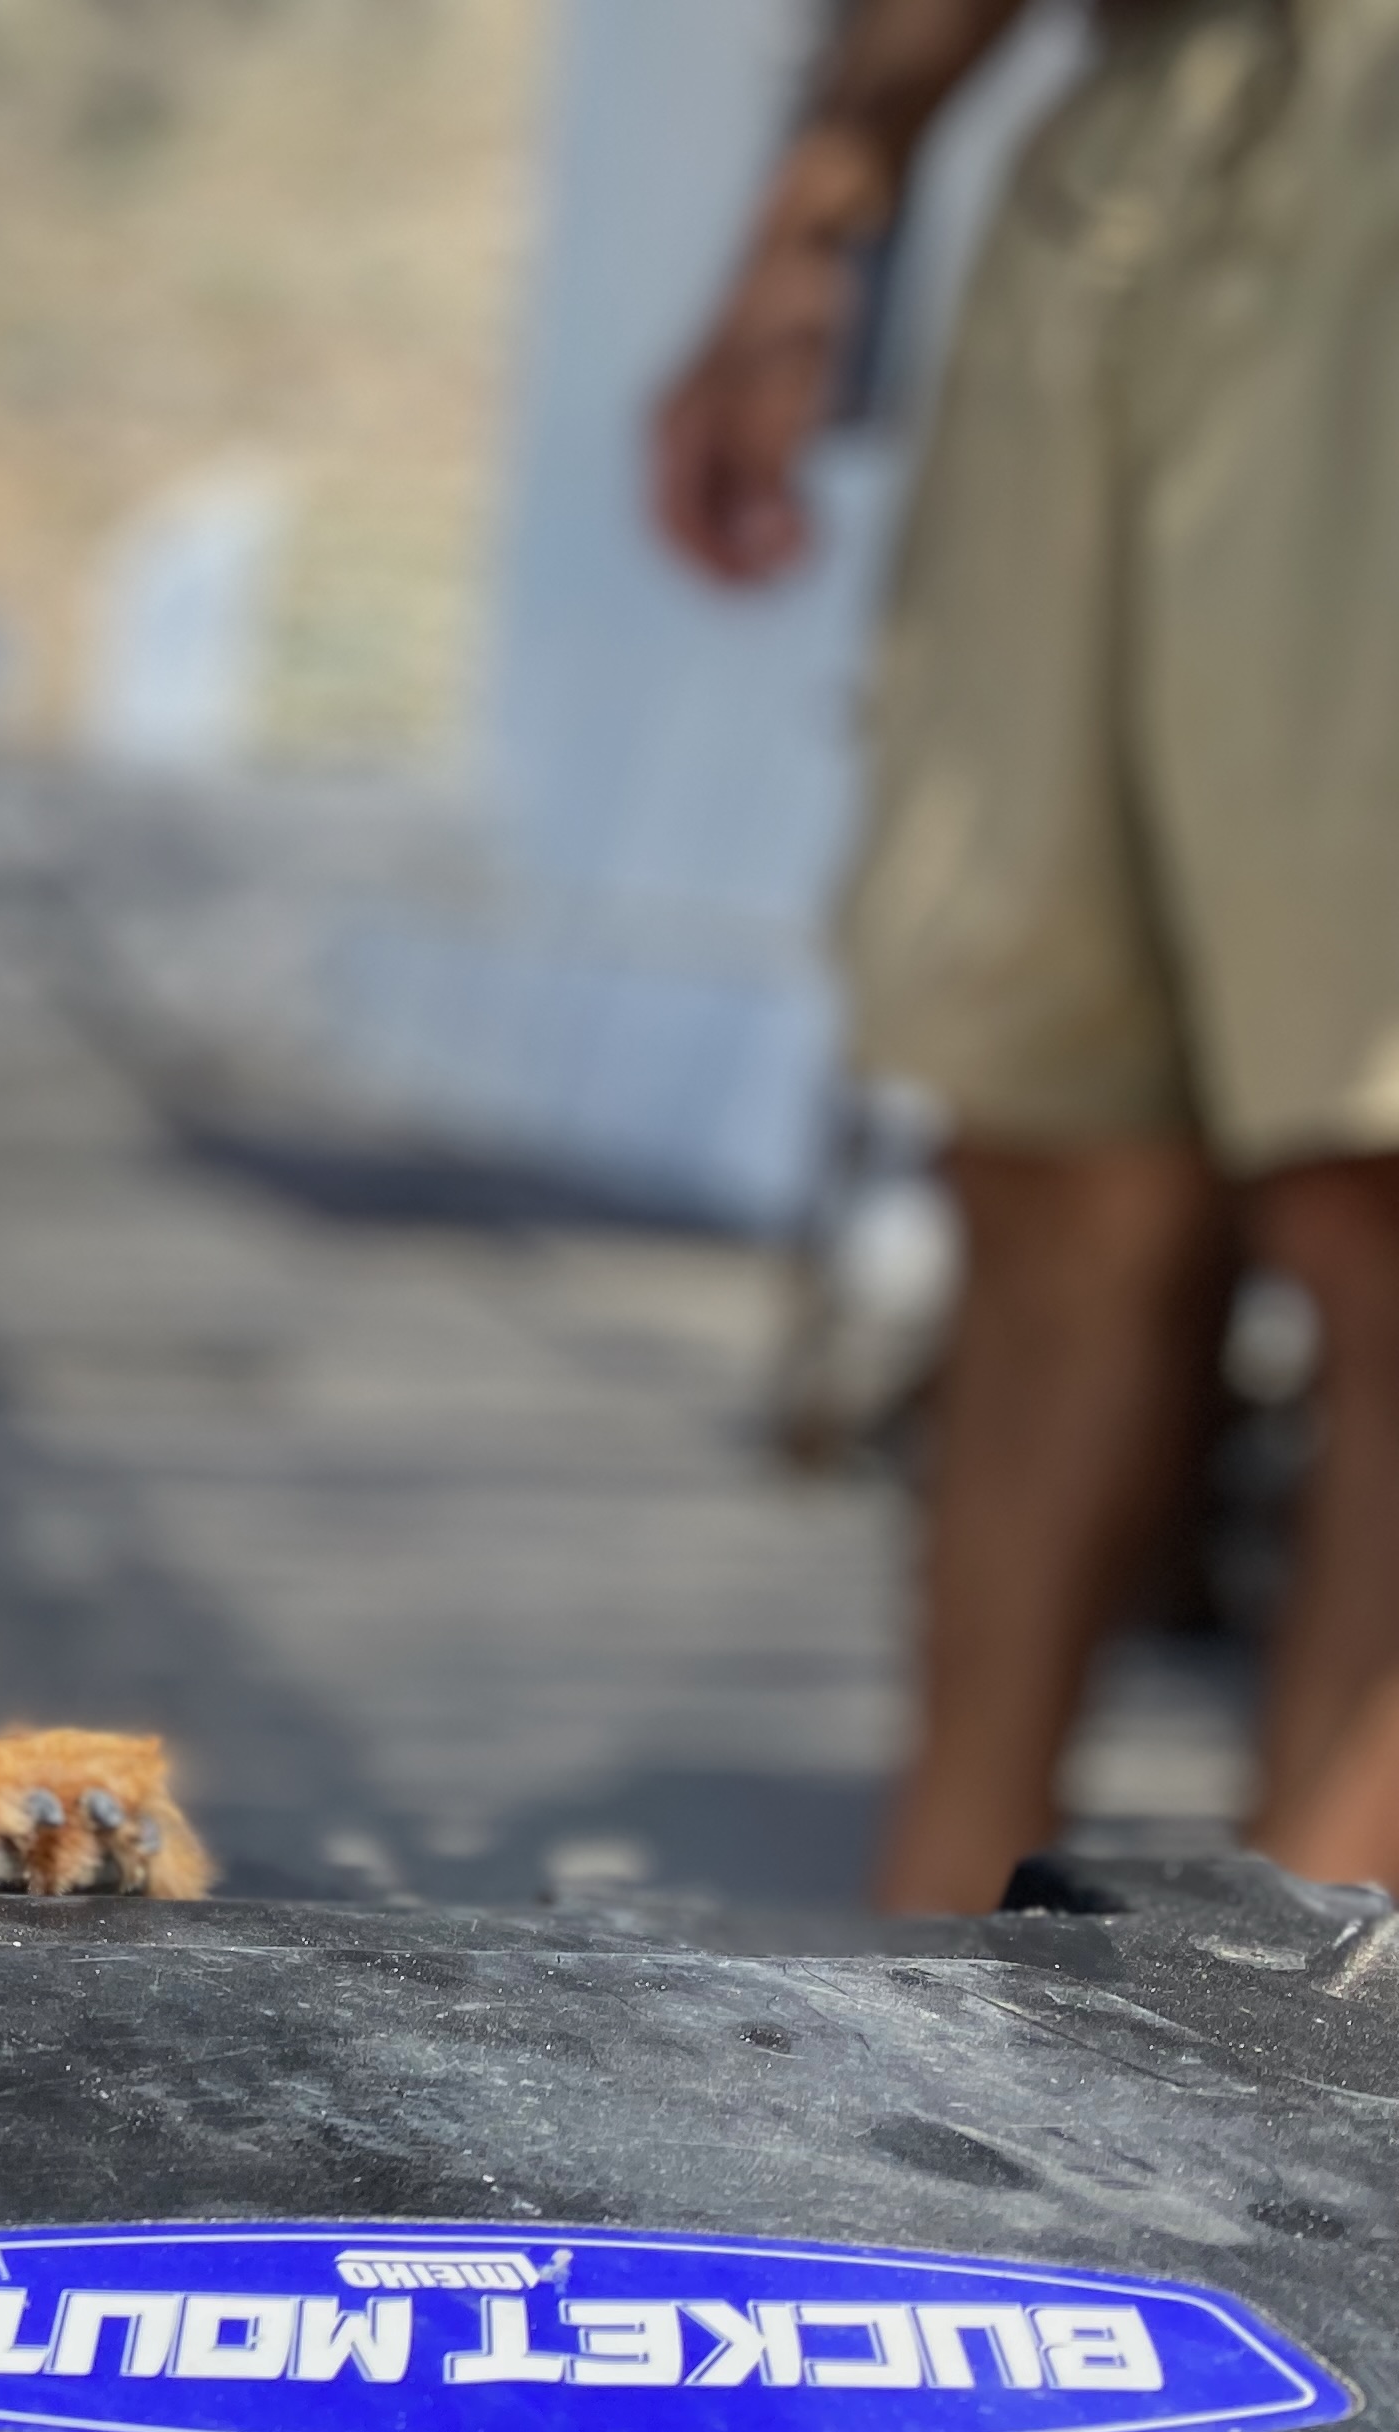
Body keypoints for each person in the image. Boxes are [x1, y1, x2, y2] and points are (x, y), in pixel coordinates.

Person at [654, 0, 1399, 1909]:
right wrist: (829, 187)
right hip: (1135, 129)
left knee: (1374, 1189)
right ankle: (939, 2022)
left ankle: (1297, 2055)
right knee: (1056, 1172)